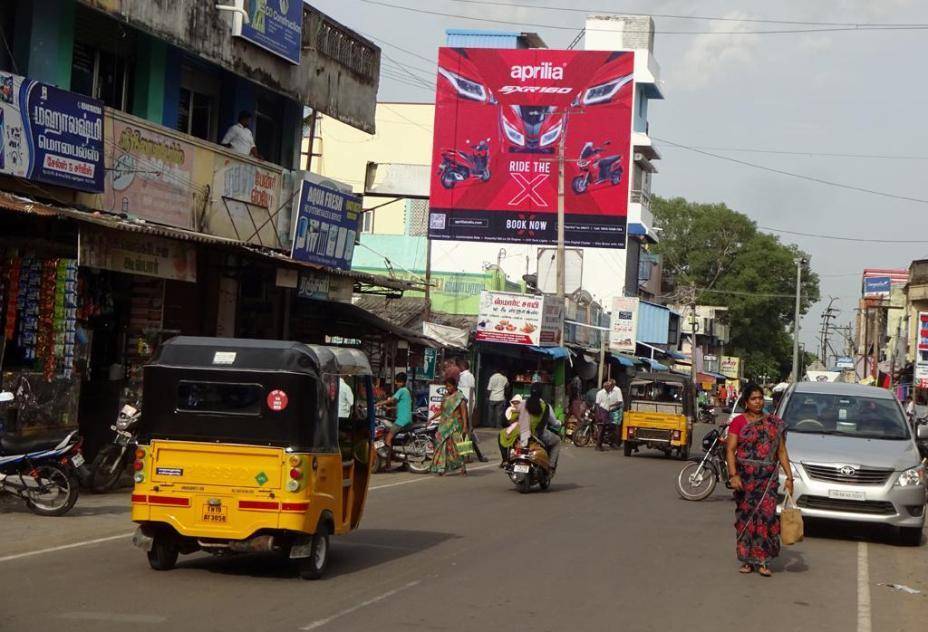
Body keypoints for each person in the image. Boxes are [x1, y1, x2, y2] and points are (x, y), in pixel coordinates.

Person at [726, 382, 793, 577]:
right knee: (745, 517)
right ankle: (747, 560)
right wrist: (733, 475)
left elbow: (781, 451)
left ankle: (763, 560)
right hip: (745, 479)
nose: (758, 402)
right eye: (753, 399)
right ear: (746, 402)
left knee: (766, 517)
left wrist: (789, 477)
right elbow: (730, 450)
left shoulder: (774, 423)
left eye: (760, 398)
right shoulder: (738, 422)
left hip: (767, 479)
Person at [430, 370, 468, 476]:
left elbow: (464, 413)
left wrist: (465, 426)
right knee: (441, 445)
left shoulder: (460, 397)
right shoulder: (445, 397)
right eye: (446, 386)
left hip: (456, 425)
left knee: (458, 446)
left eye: (450, 386)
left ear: (455, 386)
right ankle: (441, 467)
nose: (448, 388)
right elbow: (441, 411)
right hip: (444, 425)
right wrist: (431, 418)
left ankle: (462, 466)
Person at [518, 382, 560, 472]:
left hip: (522, 434)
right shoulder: (545, 406)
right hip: (539, 435)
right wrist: (560, 423)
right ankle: (551, 466)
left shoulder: (523, 403)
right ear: (542, 393)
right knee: (557, 441)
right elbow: (554, 423)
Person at [456, 358, 488, 461]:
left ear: (461, 366)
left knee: (465, 432)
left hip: (465, 407)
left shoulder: (466, 376)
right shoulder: (466, 376)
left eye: (458, 366)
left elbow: (466, 392)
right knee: (467, 431)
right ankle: (468, 455)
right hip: (465, 406)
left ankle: (465, 455)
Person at [379, 372, 412, 471]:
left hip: (401, 420)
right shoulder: (407, 391)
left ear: (401, 382)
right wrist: (389, 408)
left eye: (397, 382)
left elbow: (392, 400)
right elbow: (402, 406)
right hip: (407, 419)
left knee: (388, 439)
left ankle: (388, 464)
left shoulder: (401, 390)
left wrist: (379, 404)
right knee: (399, 440)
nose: (396, 383)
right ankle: (402, 461)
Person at [595, 379, 624, 451]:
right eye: (609, 387)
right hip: (602, 412)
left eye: (611, 386)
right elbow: (597, 405)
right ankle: (598, 445)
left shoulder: (608, 393)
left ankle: (603, 444)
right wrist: (599, 414)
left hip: (608, 412)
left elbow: (618, 402)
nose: (610, 388)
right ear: (606, 387)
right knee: (601, 429)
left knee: (606, 429)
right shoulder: (600, 393)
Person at [497, 394, 523, 465]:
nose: (515, 404)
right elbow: (505, 421)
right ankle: (505, 459)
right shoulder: (509, 410)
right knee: (501, 434)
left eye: (517, 403)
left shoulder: (523, 410)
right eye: (514, 403)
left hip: (521, 428)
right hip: (511, 428)